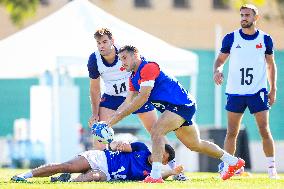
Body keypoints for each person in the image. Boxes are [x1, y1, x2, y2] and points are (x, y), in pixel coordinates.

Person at [103, 45, 245, 183]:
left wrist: (115, 120)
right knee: (195, 145)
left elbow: (142, 98)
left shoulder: (148, 67)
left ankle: (156, 175)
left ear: (135, 55)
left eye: (125, 58)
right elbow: (127, 102)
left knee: (156, 131)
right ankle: (233, 161)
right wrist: (109, 121)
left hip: (181, 104)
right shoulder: (133, 77)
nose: (122, 62)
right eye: (120, 59)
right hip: (175, 108)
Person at [87, 28, 187, 180]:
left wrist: (143, 95)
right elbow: (94, 89)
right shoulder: (94, 59)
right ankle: (97, 172)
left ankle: (176, 170)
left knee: (156, 131)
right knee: (100, 133)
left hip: (134, 96)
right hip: (112, 97)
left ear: (112, 41)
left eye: (105, 42)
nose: (101, 46)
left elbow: (143, 70)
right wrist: (95, 114)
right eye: (98, 43)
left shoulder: (126, 54)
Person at [213, 4, 278, 179]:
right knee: (231, 132)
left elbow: (271, 65)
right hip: (235, 92)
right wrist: (217, 70)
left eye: (247, 15)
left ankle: (272, 169)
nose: (243, 18)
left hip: (258, 91)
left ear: (255, 18)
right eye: (241, 15)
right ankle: (229, 167)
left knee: (264, 130)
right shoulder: (231, 38)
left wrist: (273, 89)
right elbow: (220, 60)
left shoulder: (265, 39)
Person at [11, 141, 182, 182]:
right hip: (102, 158)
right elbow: (119, 146)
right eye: (159, 151)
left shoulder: (154, 173)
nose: (158, 155)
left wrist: (174, 173)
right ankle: (24, 175)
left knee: (92, 177)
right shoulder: (142, 148)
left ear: (165, 162)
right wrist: (117, 145)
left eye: (162, 156)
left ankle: (66, 181)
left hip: (106, 174)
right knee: (66, 166)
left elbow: (162, 177)